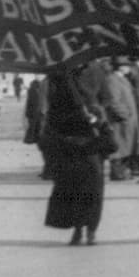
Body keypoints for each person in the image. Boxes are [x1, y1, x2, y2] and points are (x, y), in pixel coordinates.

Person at [41, 66, 110, 245]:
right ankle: (78, 228)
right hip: (67, 140)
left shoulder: (96, 71)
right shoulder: (59, 74)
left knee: (93, 188)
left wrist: (96, 115)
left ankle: (91, 230)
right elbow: (53, 106)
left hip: (91, 139)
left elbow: (106, 99)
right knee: (72, 188)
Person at [23, 75, 50, 178]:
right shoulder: (36, 85)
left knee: (44, 144)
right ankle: (48, 168)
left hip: (44, 118)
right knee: (43, 144)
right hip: (40, 118)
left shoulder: (46, 82)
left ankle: (49, 169)